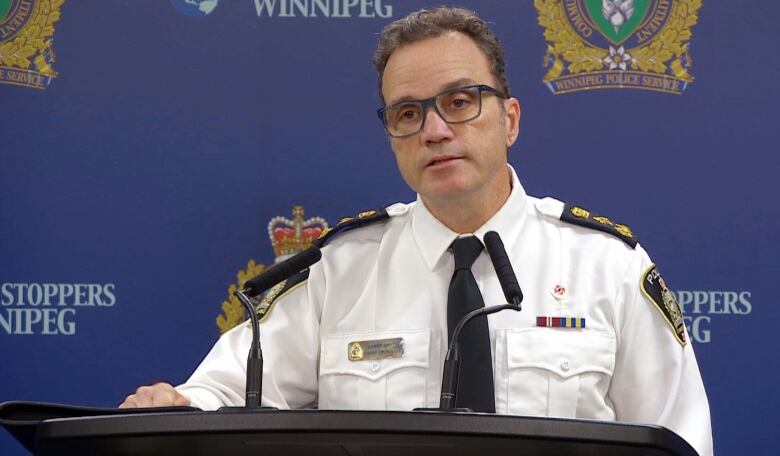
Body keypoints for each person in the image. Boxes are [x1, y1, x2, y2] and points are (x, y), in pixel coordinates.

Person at [120, 7, 713, 455]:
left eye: (459, 101)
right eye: (408, 113)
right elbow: (221, 393)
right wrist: (176, 404)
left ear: (509, 119)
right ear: (392, 137)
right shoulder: (339, 270)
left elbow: (680, 439)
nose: (434, 129)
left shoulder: (607, 266)